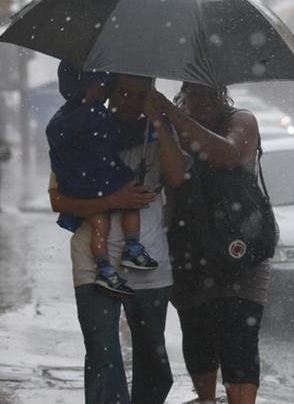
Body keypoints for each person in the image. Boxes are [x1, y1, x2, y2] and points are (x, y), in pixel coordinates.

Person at [49, 73, 185, 404]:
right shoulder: (82, 129)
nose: (129, 101)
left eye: (139, 94)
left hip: (147, 258)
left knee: (153, 354)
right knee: (101, 352)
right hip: (93, 260)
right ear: (110, 90)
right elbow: (58, 200)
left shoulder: (158, 132)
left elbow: (177, 176)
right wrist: (111, 201)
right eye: (122, 92)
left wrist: (158, 120)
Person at [146, 82, 270, 404]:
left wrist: (171, 113)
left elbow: (225, 153)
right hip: (188, 251)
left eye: (210, 93)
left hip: (240, 251)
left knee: (239, 339)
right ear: (184, 91)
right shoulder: (170, 126)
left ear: (222, 92)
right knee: (198, 336)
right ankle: (206, 399)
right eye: (194, 93)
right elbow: (166, 175)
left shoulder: (241, 121)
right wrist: (162, 120)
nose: (202, 100)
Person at [46, 63, 158, 297]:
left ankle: (104, 268)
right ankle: (132, 247)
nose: (104, 89)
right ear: (91, 87)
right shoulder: (97, 114)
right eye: (102, 84)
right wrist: (149, 129)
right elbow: (118, 137)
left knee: (99, 224)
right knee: (133, 196)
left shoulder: (59, 119)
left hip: (77, 183)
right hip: (103, 177)